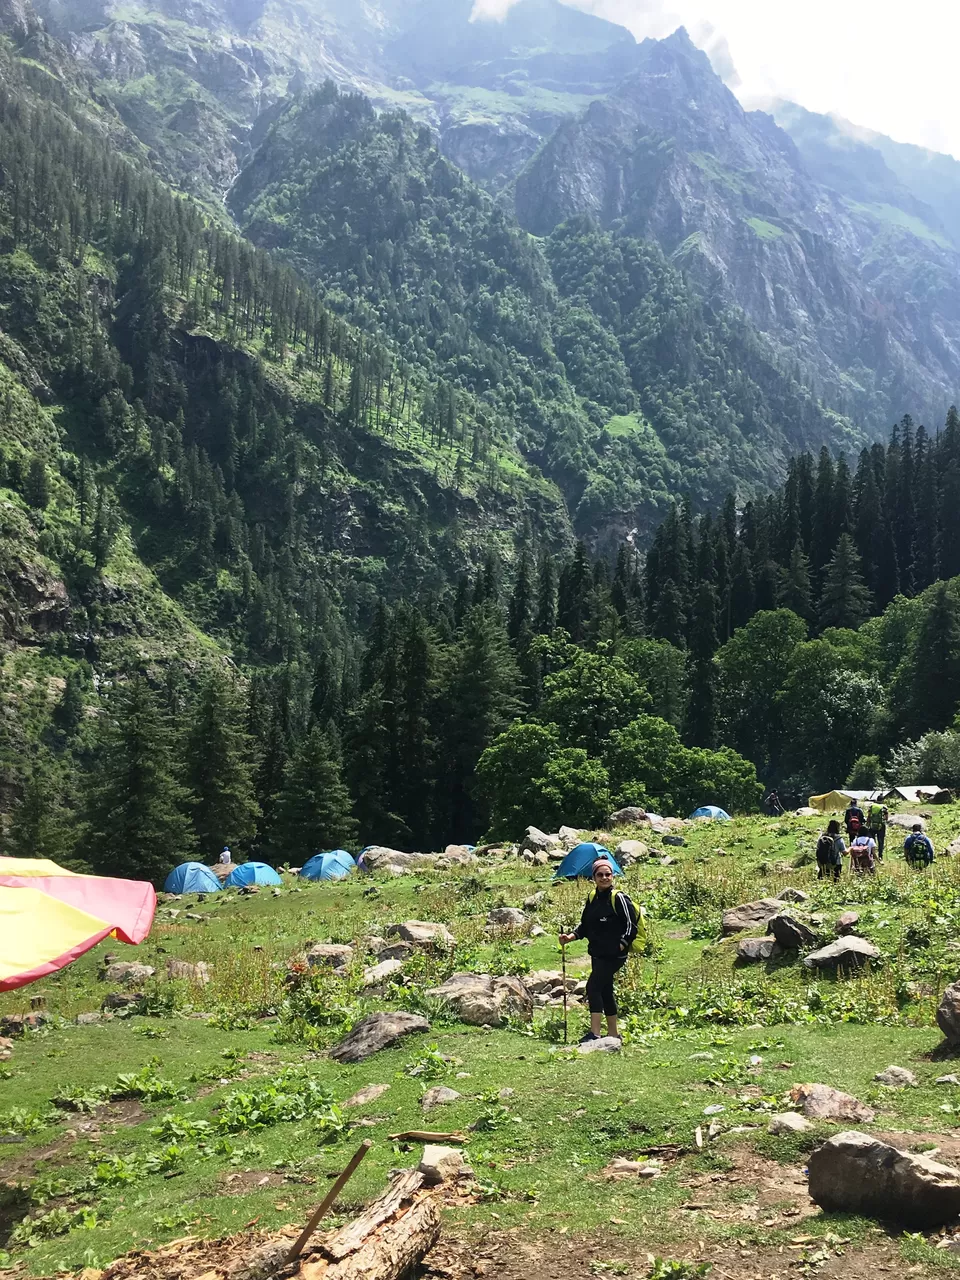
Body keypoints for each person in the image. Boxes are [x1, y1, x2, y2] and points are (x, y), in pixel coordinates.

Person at [559, 859, 638, 1044]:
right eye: (600, 875)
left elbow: (631, 926)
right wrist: (571, 937)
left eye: (608, 874)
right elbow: (586, 925)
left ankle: (594, 1034)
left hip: (614, 955)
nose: (604, 878)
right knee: (605, 990)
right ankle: (613, 1034)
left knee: (593, 987)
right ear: (593, 877)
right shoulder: (592, 897)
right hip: (597, 953)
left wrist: (622, 944)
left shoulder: (619, 898)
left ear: (613, 876)